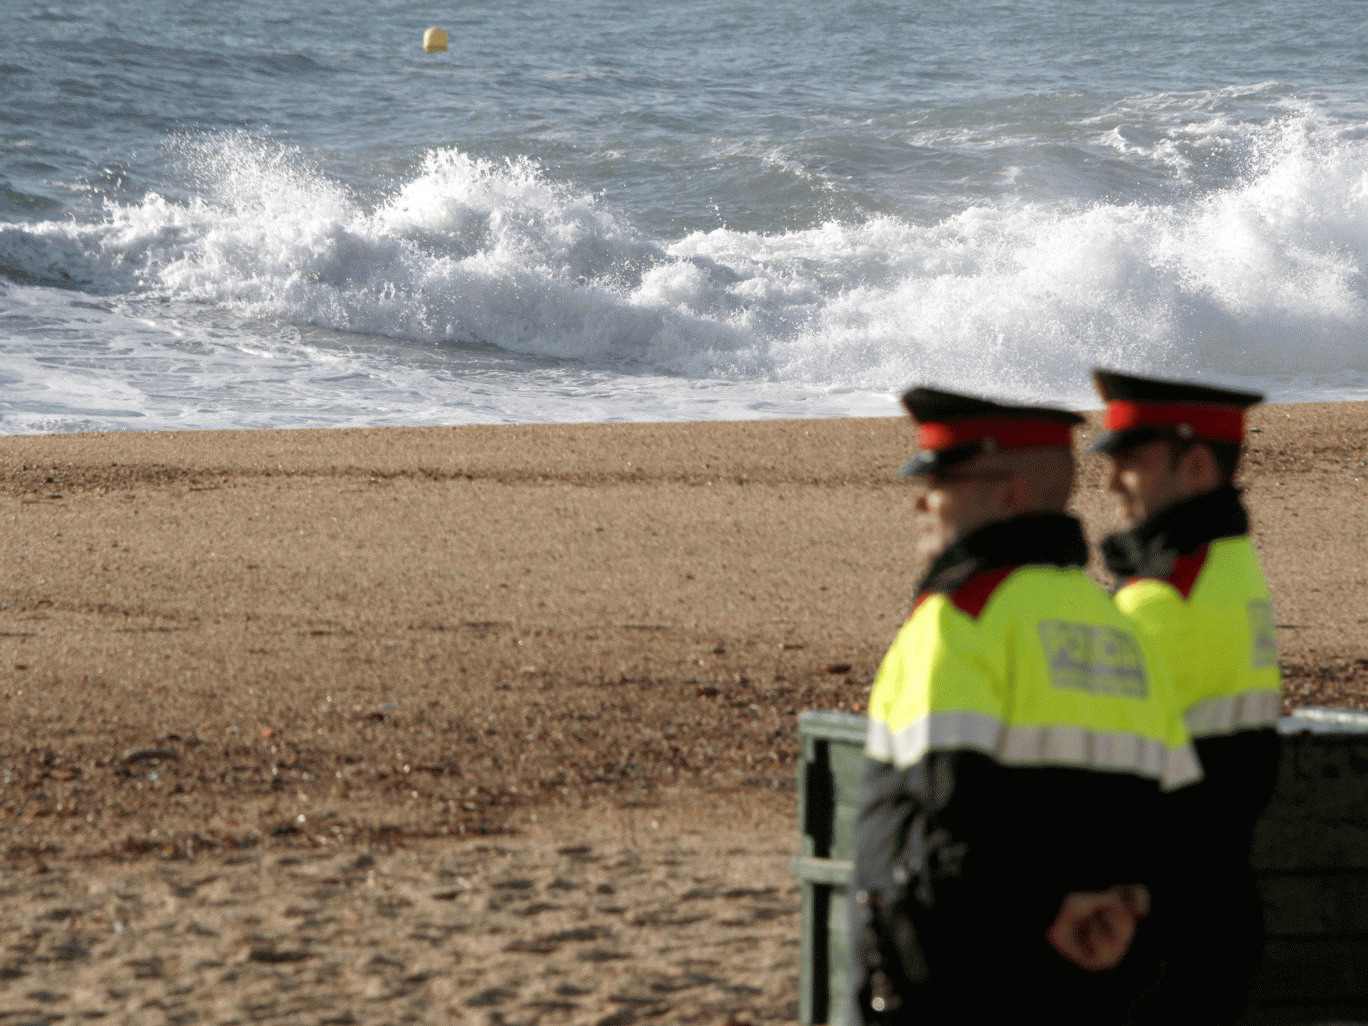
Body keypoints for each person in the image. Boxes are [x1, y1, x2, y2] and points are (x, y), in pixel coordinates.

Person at [849, 386, 1201, 1026]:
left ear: (1010, 498)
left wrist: (1042, 909)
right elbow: (1179, 832)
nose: (919, 501)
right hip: (1101, 985)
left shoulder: (960, 620)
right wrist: (1117, 910)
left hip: (960, 980)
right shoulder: (1120, 628)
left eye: (942, 481)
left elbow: (948, 822)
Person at [1091, 369, 1282, 1024]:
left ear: (1196, 464)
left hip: (1151, 932)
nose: (1112, 482)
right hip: (1212, 904)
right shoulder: (1231, 567)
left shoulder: (1163, 599)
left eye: (1131, 462)